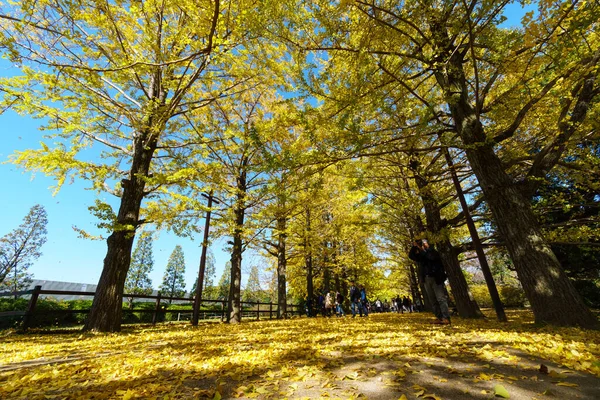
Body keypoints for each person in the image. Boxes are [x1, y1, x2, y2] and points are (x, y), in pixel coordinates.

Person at [409, 239, 451, 325]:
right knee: (432, 300)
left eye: (424, 243)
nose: (422, 245)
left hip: (436, 278)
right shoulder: (421, 255)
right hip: (426, 279)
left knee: (441, 298)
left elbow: (431, 257)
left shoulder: (433, 252)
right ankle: (439, 318)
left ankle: (446, 318)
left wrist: (425, 249)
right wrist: (414, 247)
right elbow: (411, 256)